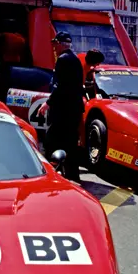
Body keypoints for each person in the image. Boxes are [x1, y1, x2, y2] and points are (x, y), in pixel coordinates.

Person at [36, 32, 84, 183]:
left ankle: (50, 174)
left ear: (60, 44)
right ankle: (72, 175)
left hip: (63, 110)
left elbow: (60, 86)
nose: (54, 48)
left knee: (52, 141)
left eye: (55, 44)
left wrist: (48, 103)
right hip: (73, 109)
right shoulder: (75, 59)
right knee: (70, 142)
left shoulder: (62, 60)